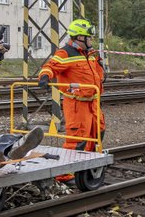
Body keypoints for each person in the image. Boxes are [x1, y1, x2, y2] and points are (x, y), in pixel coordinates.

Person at [37, 18, 105, 181]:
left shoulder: (89, 53)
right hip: (76, 103)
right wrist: (45, 77)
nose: (91, 40)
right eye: (89, 37)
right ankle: (64, 174)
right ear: (80, 38)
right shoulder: (65, 53)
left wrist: (102, 74)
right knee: (78, 138)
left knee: (97, 131)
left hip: (93, 101)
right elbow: (50, 66)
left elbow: (96, 71)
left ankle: (87, 164)